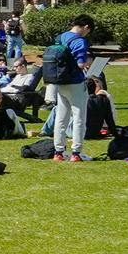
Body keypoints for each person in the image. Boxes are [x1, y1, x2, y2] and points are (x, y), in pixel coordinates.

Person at [47, 14, 93, 163]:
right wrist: (89, 61)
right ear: (86, 27)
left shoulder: (60, 37)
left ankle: (58, 151)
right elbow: (80, 64)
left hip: (60, 81)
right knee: (79, 117)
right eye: (88, 31)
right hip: (75, 83)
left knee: (61, 117)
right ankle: (76, 152)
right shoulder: (80, 41)